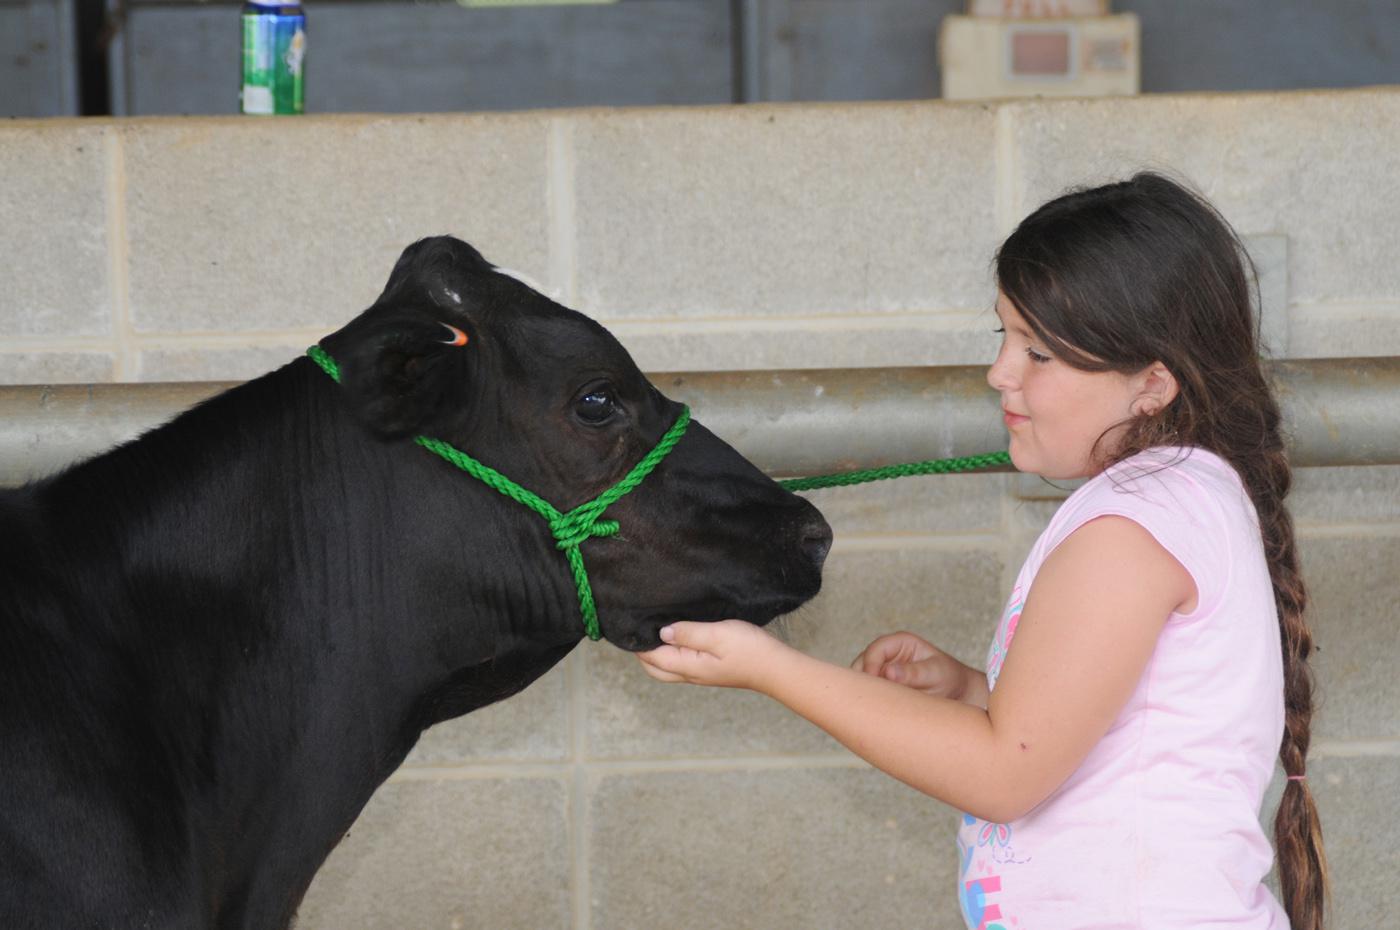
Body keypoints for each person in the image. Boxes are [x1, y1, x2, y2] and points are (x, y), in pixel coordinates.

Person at [637, 172, 1328, 930]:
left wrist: (773, 669)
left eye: (1041, 355)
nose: (1001, 372)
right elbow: (1101, 734)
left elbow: (1007, 775)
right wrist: (971, 693)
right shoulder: (1177, 498)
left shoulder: (1132, 529)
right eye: (1006, 336)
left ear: (1152, 383)